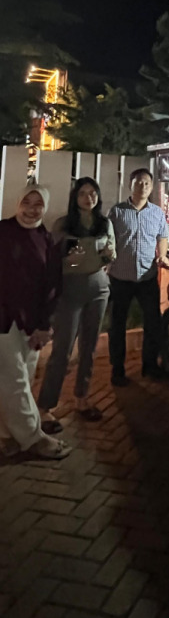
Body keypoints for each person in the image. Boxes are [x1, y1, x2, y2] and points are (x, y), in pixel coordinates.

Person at [38, 178, 116, 428]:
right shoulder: (63, 224)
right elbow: (54, 259)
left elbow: (110, 252)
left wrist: (105, 257)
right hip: (70, 290)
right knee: (62, 349)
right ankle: (45, 407)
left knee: (89, 347)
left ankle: (82, 398)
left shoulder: (104, 223)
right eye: (83, 193)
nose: (88, 198)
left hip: (98, 288)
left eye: (93, 193)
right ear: (75, 197)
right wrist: (78, 257)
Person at [0, 185, 71, 460]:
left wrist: (45, 325)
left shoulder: (47, 239)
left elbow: (53, 286)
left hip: (32, 323)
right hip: (4, 320)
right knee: (15, 379)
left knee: (21, 379)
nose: (31, 209)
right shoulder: (3, 231)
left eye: (38, 204)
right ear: (18, 203)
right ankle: (34, 438)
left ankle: (6, 434)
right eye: (26, 202)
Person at [108, 167, 169, 386]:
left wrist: (162, 255)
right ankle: (117, 369)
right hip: (120, 278)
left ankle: (150, 365)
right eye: (138, 182)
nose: (142, 186)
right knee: (117, 325)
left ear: (151, 187)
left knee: (153, 322)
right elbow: (108, 239)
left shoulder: (157, 213)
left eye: (146, 183)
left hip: (147, 277)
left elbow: (163, 236)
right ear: (130, 185)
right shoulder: (117, 212)